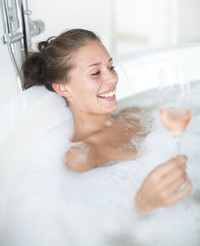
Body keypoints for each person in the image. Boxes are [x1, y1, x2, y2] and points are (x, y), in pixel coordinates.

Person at [22, 28, 192, 212]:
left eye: (111, 67)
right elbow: (98, 231)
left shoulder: (134, 114)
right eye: (95, 73)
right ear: (63, 89)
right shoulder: (81, 157)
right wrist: (143, 204)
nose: (112, 78)